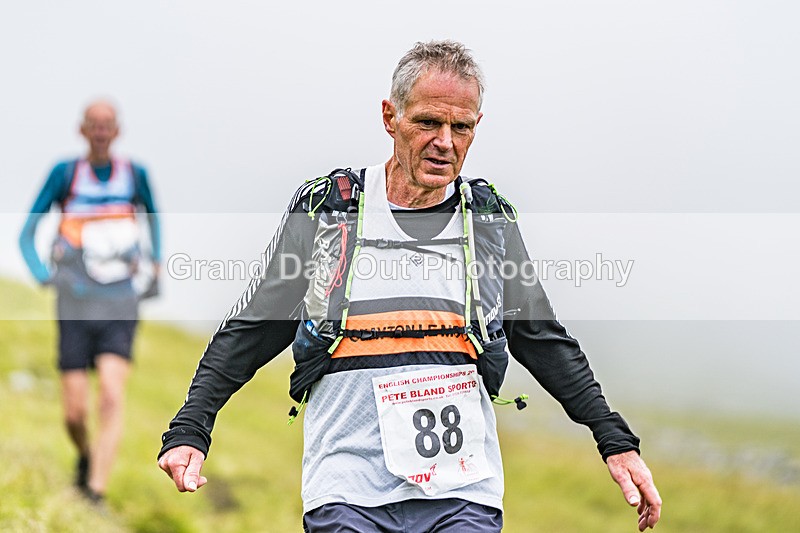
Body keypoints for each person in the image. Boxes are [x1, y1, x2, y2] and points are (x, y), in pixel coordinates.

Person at [157, 41, 661, 531]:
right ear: (390, 117)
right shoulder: (331, 208)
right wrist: (191, 427)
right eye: (428, 122)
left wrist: (613, 438)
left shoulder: (488, 221)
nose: (445, 142)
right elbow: (257, 325)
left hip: (464, 492)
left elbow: (539, 336)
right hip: (346, 488)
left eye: (461, 127)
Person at [19, 100, 161, 503]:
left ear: (117, 131)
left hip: (120, 300)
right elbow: (26, 232)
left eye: (107, 125)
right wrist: (43, 274)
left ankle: (95, 493)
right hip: (75, 303)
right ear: (82, 130)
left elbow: (154, 217)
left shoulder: (135, 175)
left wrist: (156, 263)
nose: (100, 131)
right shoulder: (65, 174)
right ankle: (85, 455)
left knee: (112, 397)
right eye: (94, 125)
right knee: (74, 413)